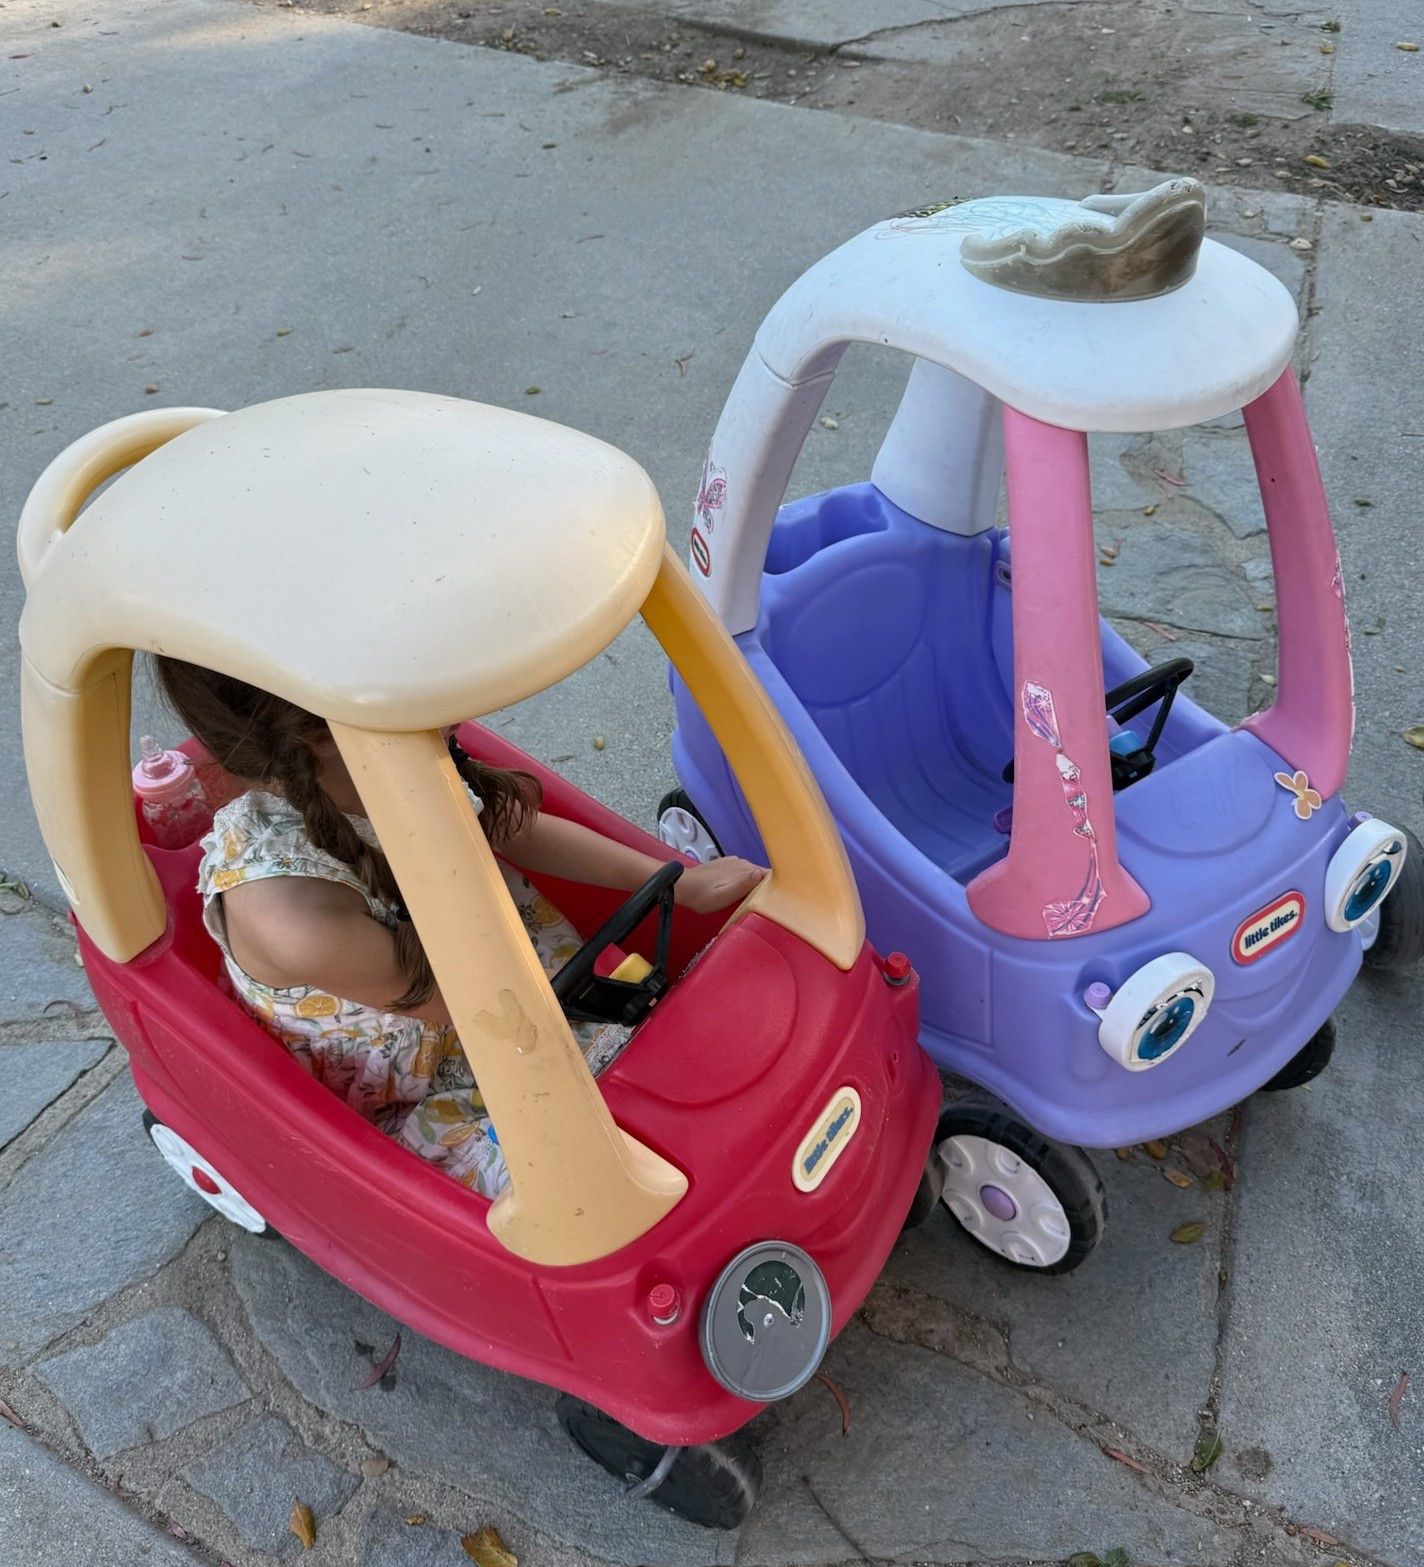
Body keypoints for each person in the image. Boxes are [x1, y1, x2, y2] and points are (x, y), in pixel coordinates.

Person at [154, 657, 766, 1198]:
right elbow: (481, 1013)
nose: (460, 705)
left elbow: (510, 826)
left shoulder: (397, 759)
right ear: (321, 734)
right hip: (440, 1086)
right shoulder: (290, 917)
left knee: (715, 1056)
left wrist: (682, 883)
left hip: (524, 994)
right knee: (594, 1183)